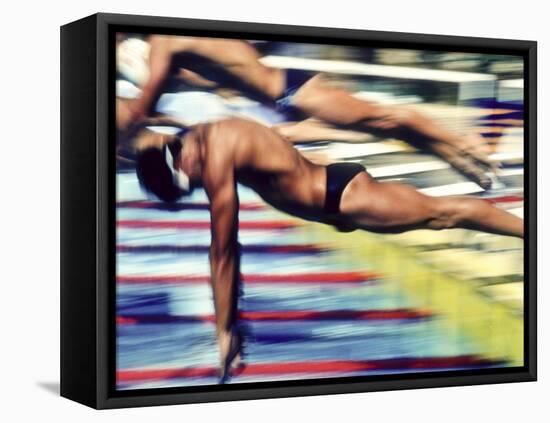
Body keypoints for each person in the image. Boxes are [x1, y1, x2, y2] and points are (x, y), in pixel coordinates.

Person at [132, 117, 523, 381]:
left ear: (182, 161)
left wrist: (223, 330)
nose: (200, 187)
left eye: (190, 185)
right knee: (440, 214)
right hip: (333, 195)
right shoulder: (201, 136)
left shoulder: (215, 152)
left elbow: (223, 249)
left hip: (344, 197)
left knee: (443, 214)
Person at [118, 35, 496, 188]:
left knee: (382, 119)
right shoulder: (180, 48)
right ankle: (452, 153)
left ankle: (461, 142)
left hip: (291, 89)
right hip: (283, 96)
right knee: (381, 127)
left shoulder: (164, 42)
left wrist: (123, 132)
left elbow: (144, 101)